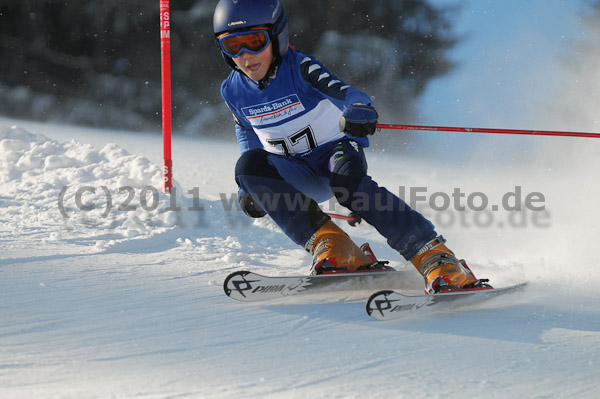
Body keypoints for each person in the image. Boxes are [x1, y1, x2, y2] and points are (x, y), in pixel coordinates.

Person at [212, 0, 490, 293]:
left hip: (335, 153)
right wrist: (250, 189)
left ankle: (435, 256)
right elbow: (246, 131)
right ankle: (332, 244)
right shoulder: (232, 90)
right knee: (248, 167)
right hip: (295, 171)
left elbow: (346, 93)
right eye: (233, 46)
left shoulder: (299, 68)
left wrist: (360, 109)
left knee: (348, 185)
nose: (245, 56)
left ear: (277, 35)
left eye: (255, 42)